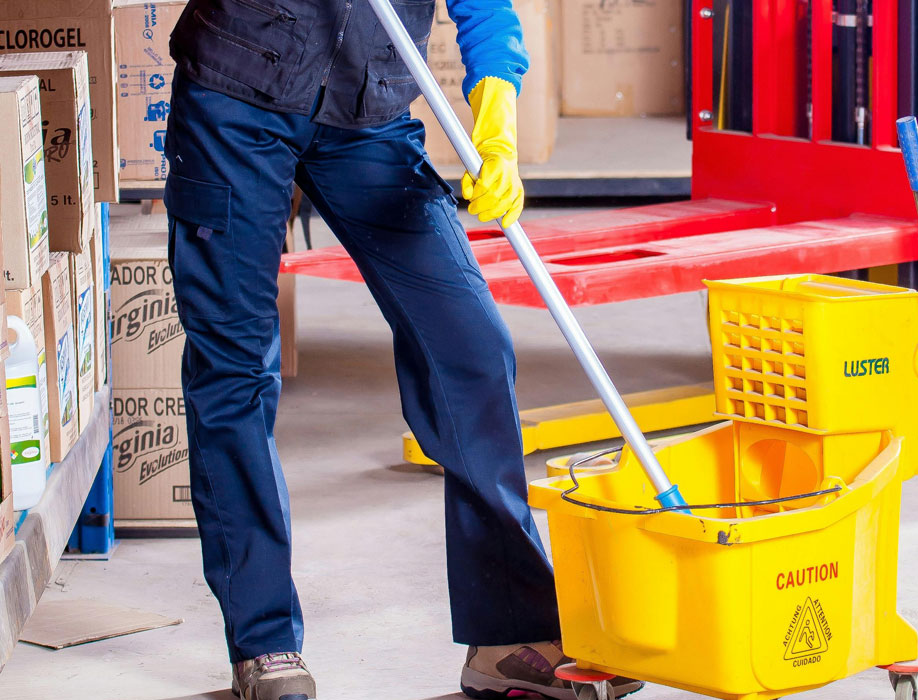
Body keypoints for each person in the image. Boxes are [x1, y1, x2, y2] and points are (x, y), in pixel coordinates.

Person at [164, 1, 642, 699]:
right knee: (235, 368)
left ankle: (508, 633)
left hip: (368, 117)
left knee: (469, 346)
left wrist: (497, 123)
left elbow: (485, 8)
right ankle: (262, 643)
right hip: (237, 98)